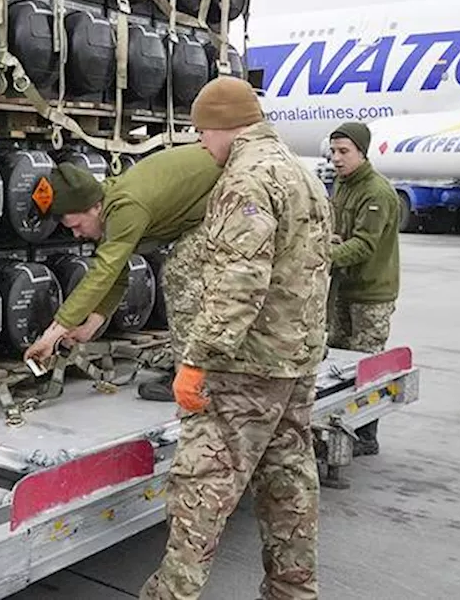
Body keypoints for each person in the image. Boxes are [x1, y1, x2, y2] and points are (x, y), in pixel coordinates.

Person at [138, 76, 333, 600]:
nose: (202, 144)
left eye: (202, 133)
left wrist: (198, 358)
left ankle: (171, 595)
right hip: (296, 360)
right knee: (288, 483)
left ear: (223, 126)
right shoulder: (303, 173)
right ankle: (293, 591)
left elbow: (240, 279)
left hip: (245, 366)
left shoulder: (246, 179)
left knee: (201, 487)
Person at [22, 144, 222, 401]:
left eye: (77, 225)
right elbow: (116, 274)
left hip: (234, 189)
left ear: (94, 207)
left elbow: (104, 272)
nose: (77, 234)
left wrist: (52, 334)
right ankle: (195, 369)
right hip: (211, 202)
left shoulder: (125, 207)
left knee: (180, 275)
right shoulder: (109, 206)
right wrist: (88, 327)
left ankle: (195, 379)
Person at [326, 122, 401, 457]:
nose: (336, 159)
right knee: (338, 362)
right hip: (344, 287)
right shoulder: (342, 185)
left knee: (366, 366)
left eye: (344, 151)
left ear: (362, 152)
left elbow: (364, 245)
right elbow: (338, 230)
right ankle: (341, 426)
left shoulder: (376, 192)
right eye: (333, 151)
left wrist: (321, 257)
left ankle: (366, 435)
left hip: (371, 293)